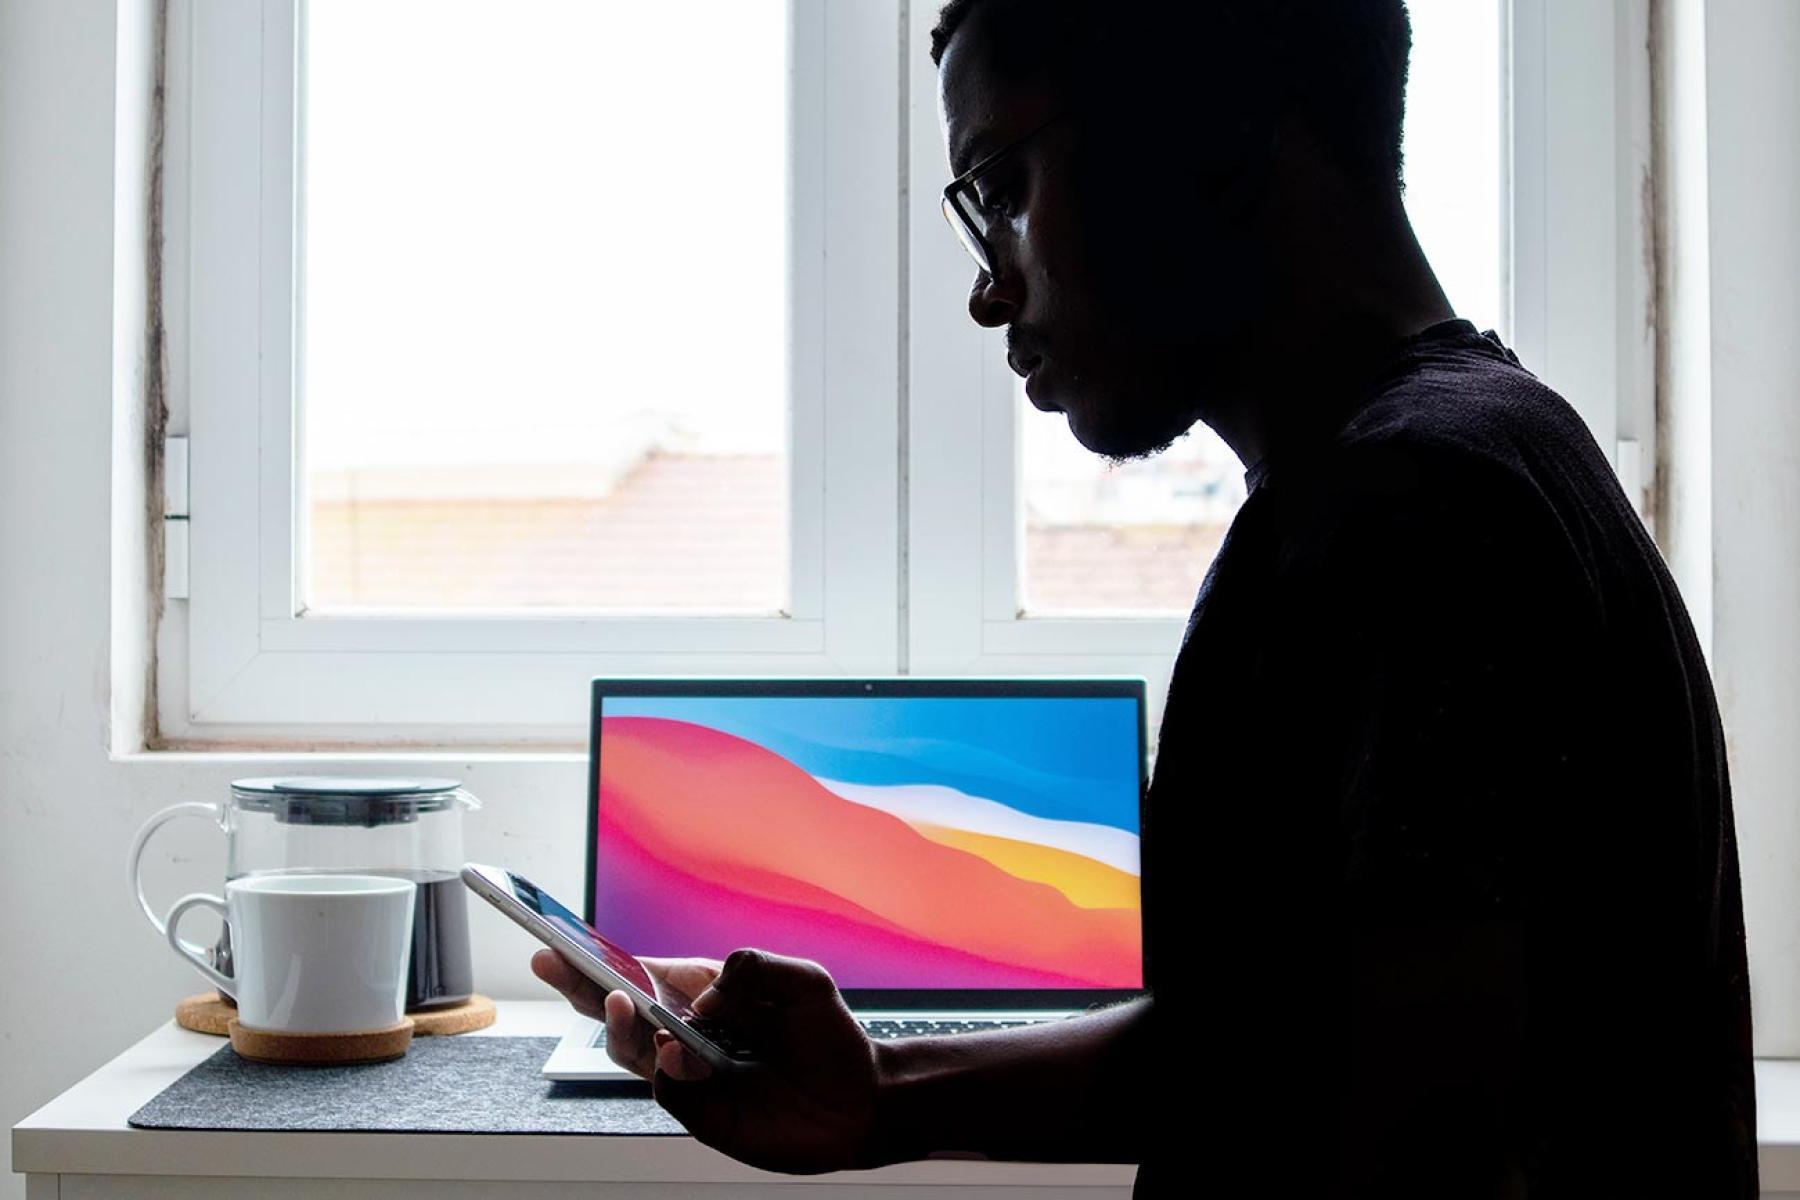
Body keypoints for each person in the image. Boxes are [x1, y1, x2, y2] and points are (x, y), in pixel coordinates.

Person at [535, 0, 1757, 1192]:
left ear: (1213, 134)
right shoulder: (1470, 459)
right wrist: (877, 1102)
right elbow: (1281, 1053)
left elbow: (1419, 1144)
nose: (987, 292)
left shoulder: (1414, 509)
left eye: (1005, 190)